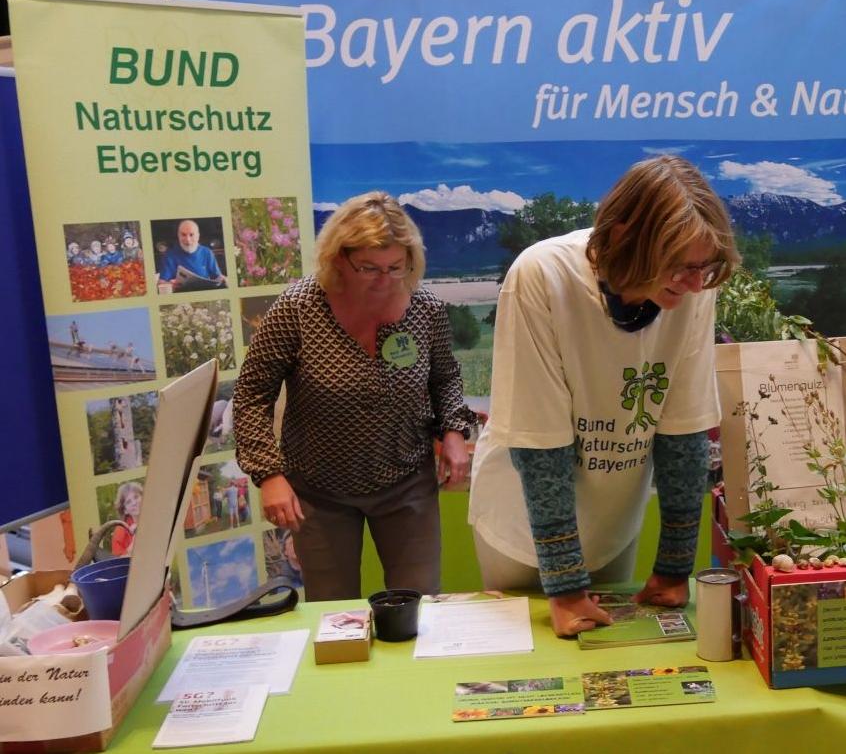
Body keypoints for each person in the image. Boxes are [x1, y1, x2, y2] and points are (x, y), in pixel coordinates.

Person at [468, 155, 740, 637]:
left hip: (614, 521)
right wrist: (567, 587)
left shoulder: (693, 288)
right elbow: (539, 447)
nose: (696, 284)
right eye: (679, 267)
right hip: (522, 528)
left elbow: (684, 432)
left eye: (705, 266)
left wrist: (675, 566)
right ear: (622, 237)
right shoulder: (543, 275)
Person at [234, 191, 476, 601]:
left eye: (395, 268)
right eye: (369, 268)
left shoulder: (425, 308)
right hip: (318, 489)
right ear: (338, 259)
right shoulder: (298, 308)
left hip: (405, 480)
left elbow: (445, 377)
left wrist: (453, 431)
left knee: (419, 607)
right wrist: (269, 474)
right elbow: (252, 394)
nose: (384, 281)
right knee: (332, 615)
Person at [158, 219, 226, 291]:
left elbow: (218, 277)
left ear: (198, 236)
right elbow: (161, 282)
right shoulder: (170, 255)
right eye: (183, 235)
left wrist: (224, 279)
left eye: (191, 235)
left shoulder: (207, 252)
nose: (188, 239)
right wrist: (170, 285)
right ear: (178, 236)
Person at [112, 481, 143, 556]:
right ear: (125, 510)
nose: (134, 503)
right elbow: (118, 562)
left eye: (136, 497)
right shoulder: (120, 530)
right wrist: (135, 539)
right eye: (128, 502)